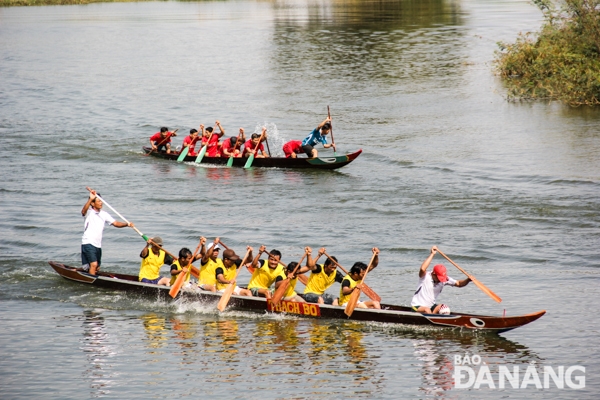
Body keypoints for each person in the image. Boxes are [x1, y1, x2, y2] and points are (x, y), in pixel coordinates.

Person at [81, 189, 133, 276]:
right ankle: (91, 285)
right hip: (88, 242)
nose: (101, 203)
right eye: (98, 201)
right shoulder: (89, 213)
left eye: (101, 201)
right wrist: (90, 199)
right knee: (94, 264)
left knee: (97, 267)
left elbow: (115, 223)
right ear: (93, 204)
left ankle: (81, 271)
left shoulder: (104, 214)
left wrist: (127, 224)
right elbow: (83, 211)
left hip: (97, 244)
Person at [411, 246, 471, 314]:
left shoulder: (445, 279)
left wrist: (468, 280)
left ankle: (434, 319)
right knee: (427, 310)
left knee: (445, 309)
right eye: (439, 278)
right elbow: (422, 268)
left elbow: (459, 284)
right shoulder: (425, 276)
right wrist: (432, 254)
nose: (441, 280)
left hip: (431, 306)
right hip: (417, 306)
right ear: (433, 273)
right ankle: (432, 318)